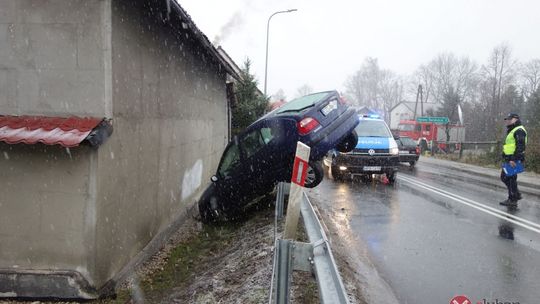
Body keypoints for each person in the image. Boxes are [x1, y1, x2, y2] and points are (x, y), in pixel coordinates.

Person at [499, 113, 527, 207]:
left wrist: (514, 159)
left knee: (510, 178)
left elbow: (520, 146)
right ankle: (515, 195)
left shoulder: (519, 130)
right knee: (505, 177)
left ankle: (513, 199)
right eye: (507, 119)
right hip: (509, 159)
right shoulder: (513, 129)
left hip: (513, 159)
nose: (508, 121)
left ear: (516, 119)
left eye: (510, 119)